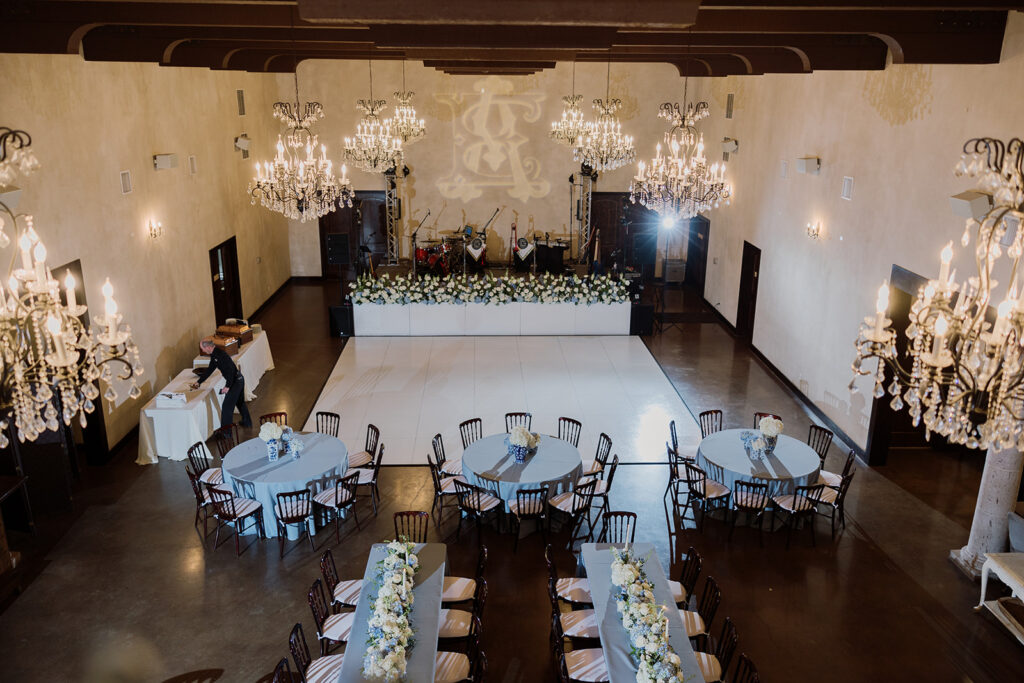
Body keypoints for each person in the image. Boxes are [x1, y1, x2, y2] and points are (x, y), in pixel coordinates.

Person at [190, 339, 252, 428]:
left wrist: (227, 386)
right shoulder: (215, 355)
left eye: (202, 348)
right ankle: (247, 422)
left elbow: (231, 370)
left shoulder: (220, 355)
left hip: (235, 382)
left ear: (208, 347)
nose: (202, 350)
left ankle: (226, 433)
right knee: (240, 402)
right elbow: (209, 370)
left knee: (227, 408)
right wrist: (198, 382)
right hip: (239, 379)